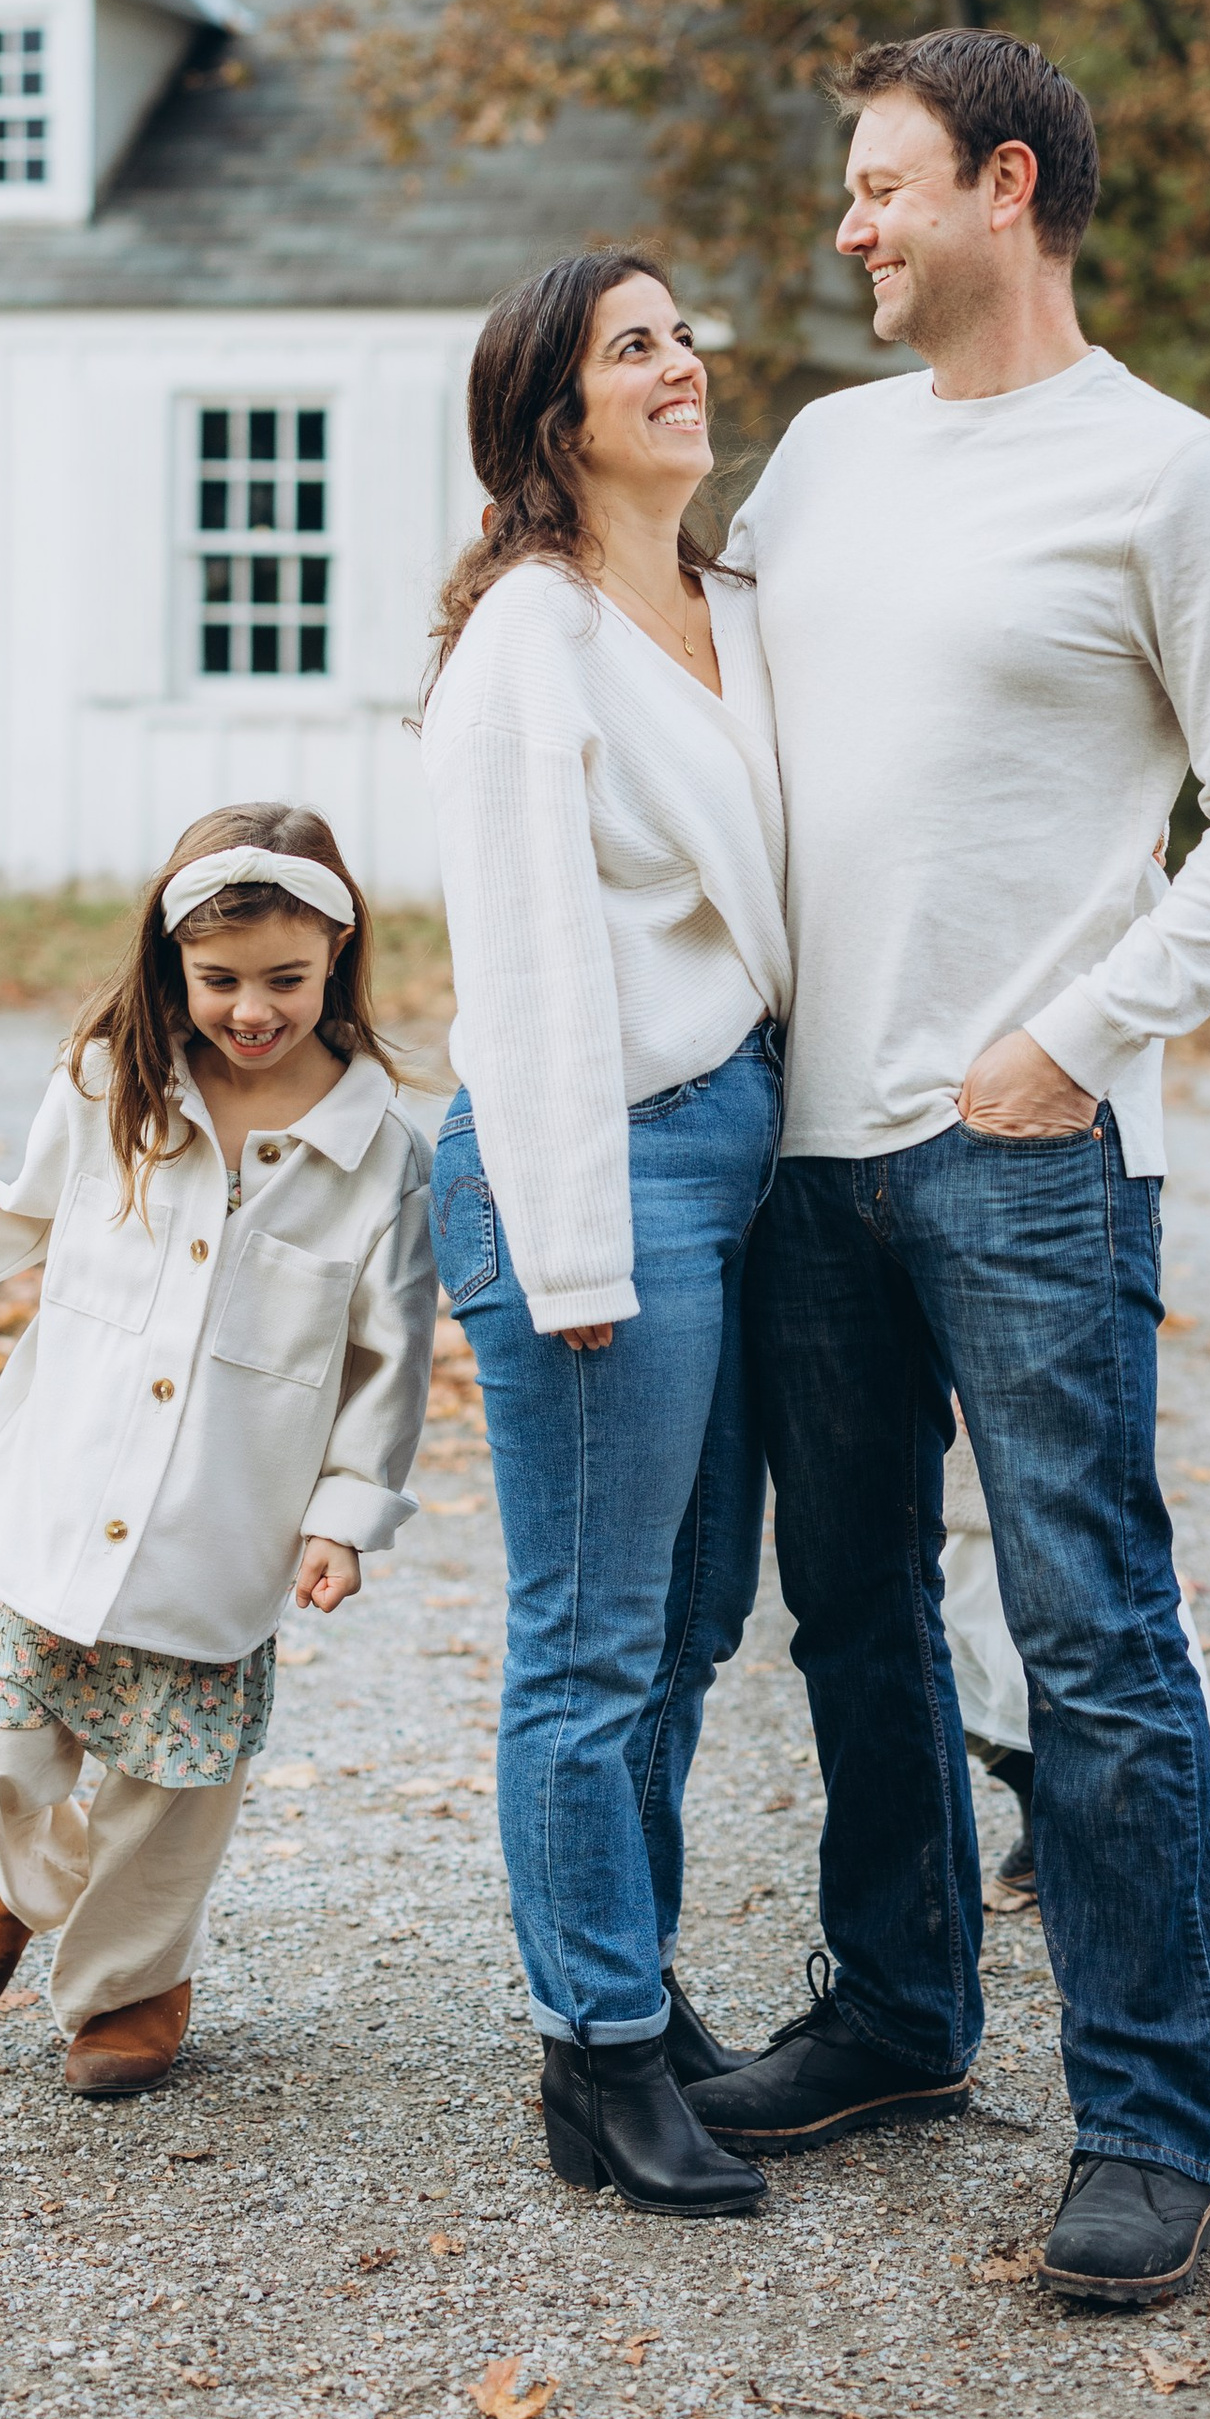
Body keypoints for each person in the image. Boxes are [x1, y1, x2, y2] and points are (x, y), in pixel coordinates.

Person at [686, 30, 1210, 2309]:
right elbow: (704, 717)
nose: (843, 231)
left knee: (1090, 1637)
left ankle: (1152, 2120)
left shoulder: (1175, 477)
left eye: (875, 190)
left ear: (1000, 185)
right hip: (803, 1145)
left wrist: (1068, 1041)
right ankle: (893, 2018)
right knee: (849, 1609)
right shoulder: (823, 454)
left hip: (1026, 1153)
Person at [0, 802, 436, 2101]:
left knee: (170, 1787)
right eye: (219, 979)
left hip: (223, 1521)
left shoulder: (376, 1153)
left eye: (284, 978)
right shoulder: (116, 1082)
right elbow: (15, 1210)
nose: (251, 1009)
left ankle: (130, 1985)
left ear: (338, 957)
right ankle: (15, 1877)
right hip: (64, 1491)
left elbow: (387, 1353)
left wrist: (344, 1514)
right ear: (172, 967)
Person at [421, 249, 790, 2220]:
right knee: (586, 1646)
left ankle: (630, 1976)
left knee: (691, 1623)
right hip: (594, 1163)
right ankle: (597, 2057)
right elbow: (533, 966)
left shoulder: (725, 607)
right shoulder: (528, 643)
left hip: (735, 1149)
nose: (677, 362)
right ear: (553, 424)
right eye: (627, 348)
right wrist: (572, 1252)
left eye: (676, 332)